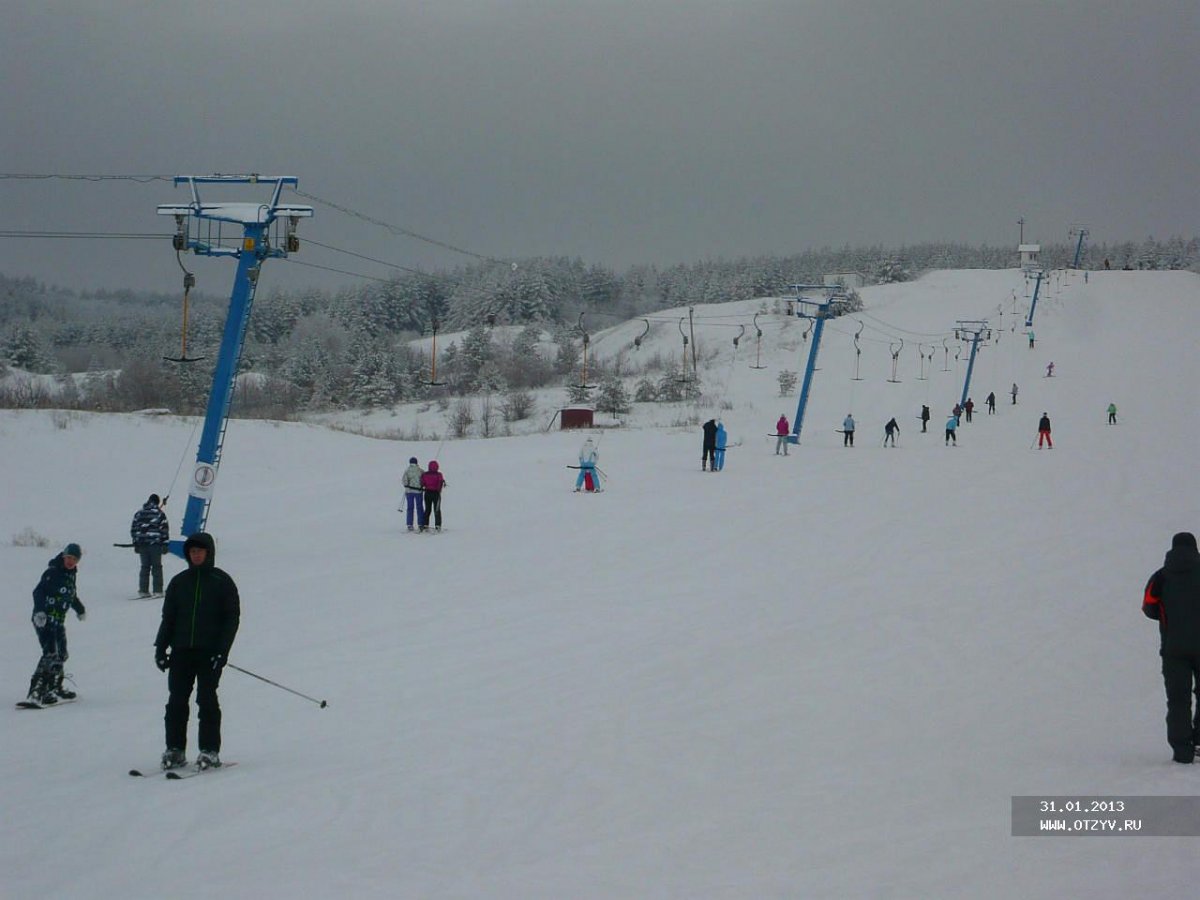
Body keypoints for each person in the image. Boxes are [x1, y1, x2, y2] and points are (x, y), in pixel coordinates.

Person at [155, 533, 239, 770]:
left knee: (207, 700)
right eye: (192, 551)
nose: (196, 555)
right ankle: (175, 749)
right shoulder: (179, 582)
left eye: (200, 551)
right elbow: (168, 618)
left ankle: (209, 751)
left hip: (209, 653)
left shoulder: (221, 581)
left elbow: (231, 619)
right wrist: (161, 647)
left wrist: (222, 652)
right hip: (181, 651)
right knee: (176, 701)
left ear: (209, 552)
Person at [1142, 532, 1200, 764]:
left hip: (1174, 649)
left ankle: (1182, 751)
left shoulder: (1161, 577)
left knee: (1178, 700)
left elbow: (1149, 607)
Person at [25, 543, 86, 706]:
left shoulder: (71, 575)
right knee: (50, 652)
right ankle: (36, 690)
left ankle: (54, 687)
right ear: (63, 557)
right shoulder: (53, 572)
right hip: (44, 619)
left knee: (62, 654)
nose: (71, 562)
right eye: (68, 558)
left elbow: (71, 595)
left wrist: (80, 609)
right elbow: (38, 592)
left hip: (58, 620)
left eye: (74, 559)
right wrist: (40, 611)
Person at [130, 493, 169, 598]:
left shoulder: (139, 513)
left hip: (142, 545)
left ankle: (143, 590)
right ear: (157, 502)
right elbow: (164, 529)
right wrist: (165, 544)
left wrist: (136, 543)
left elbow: (134, 529)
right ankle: (158, 590)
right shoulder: (160, 514)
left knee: (145, 567)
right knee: (157, 567)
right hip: (155, 544)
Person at [421, 460, 448, 527]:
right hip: (436, 494)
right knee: (437, 509)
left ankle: (425, 524)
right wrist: (438, 490)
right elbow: (440, 483)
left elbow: (422, 483)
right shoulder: (439, 474)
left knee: (427, 509)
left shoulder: (425, 474)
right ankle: (437, 525)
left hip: (427, 493)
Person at [402, 457, 425, 531]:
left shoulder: (407, 470)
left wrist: (407, 486)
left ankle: (410, 524)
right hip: (418, 492)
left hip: (409, 492)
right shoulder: (420, 470)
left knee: (410, 508)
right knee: (419, 508)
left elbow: (404, 481)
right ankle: (420, 524)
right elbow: (424, 480)